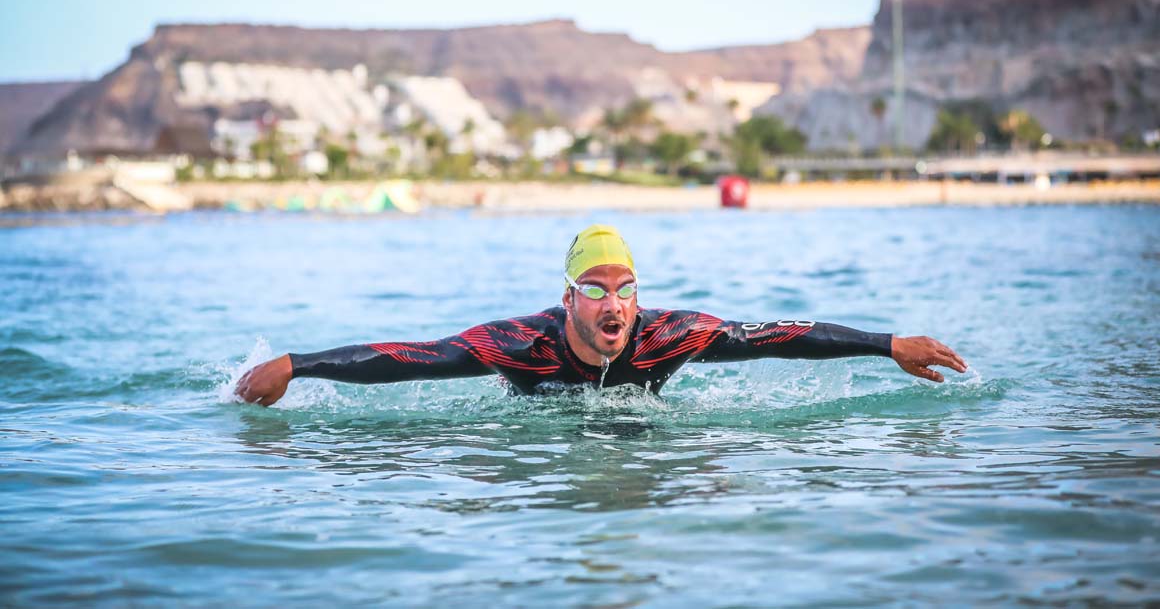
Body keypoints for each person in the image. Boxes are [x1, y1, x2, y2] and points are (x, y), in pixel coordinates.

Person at [235, 224, 968, 406]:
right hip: (540, 443)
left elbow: (781, 335)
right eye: (595, 288)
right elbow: (412, 356)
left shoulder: (669, 336)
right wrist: (295, 364)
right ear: (569, 299)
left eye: (625, 287)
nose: (613, 302)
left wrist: (887, 343)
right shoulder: (519, 344)